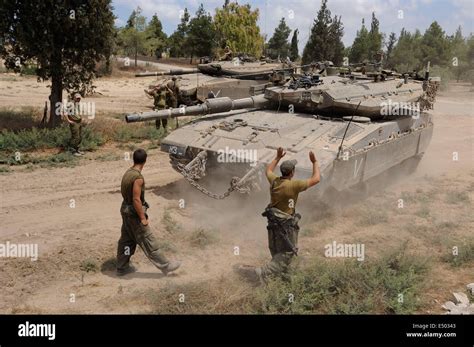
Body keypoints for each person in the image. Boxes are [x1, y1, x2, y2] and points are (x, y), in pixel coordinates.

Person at [238, 147, 320, 282]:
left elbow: (268, 170)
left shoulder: (274, 181)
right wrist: (315, 161)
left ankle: (283, 278)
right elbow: (316, 179)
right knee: (287, 253)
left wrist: (277, 157)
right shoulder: (294, 185)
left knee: (277, 253)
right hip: (285, 227)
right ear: (292, 173)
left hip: (273, 225)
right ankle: (258, 274)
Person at [117, 148, 181, 276]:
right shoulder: (138, 178)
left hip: (125, 210)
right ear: (145, 161)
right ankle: (165, 265)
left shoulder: (128, 172)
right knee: (148, 240)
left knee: (127, 240)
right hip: (134, 213)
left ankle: (121, 267)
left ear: (134, 159)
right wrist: (142, 218)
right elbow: (136, 199)